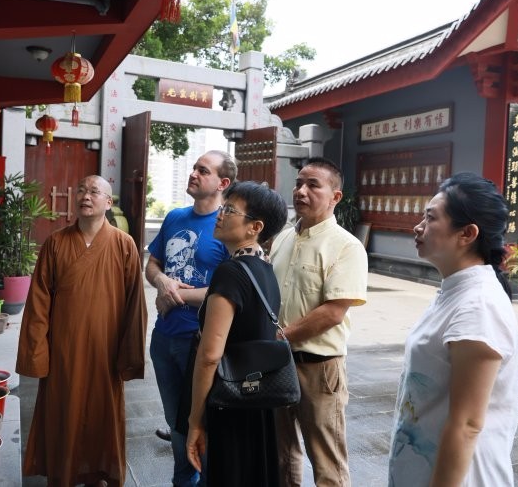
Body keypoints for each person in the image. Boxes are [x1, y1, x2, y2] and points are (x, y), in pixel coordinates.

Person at [388, 172, 518, 486]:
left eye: (430, 218)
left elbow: (467, 425)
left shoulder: (478, 306)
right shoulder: (457, 292)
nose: (418, 227)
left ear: (467, 234)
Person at [16, 175, 147, 487]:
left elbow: (135, 306)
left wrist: (129, 355)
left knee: (103, 414)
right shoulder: (56, 243)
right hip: (65, 349)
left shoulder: (123, 245)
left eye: (95, 191)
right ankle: (64, 473)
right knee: (64, 412)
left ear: (108, 202)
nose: (86, 196)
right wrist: (38, 354)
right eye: (82, 190)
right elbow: (38, 303)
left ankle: (98, 471)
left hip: (106, 349)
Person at [269, 157, 368, 486]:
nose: (301, 191)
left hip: (319, 368)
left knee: (327, 462)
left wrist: (281, 335)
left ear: (335, 196)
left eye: (313, 185)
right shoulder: (282, 238)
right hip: (277, 364)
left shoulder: (346, 246)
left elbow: (333, 311)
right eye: (299, 183)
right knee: (281, 454)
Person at [186, 181, 288, 486]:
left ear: (254, 227)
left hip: (229, 401)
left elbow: (209, 356)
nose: (220, 214)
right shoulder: (264, 269)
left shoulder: (230, 272)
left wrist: (194, 421)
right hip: (256, 399)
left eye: (229, 210)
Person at [145, 150, 237, 487]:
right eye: (194, 168)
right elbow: (152, 265)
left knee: (202, 421)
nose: (194, 174)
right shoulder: (174, 217)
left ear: (222, 183)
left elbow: (230, 286)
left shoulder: (227, 226)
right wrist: (163, 282)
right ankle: (183, 480)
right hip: (164, 335)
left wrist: (177, 295)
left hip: (200, 340)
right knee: (176, 420)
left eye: (203, 170)